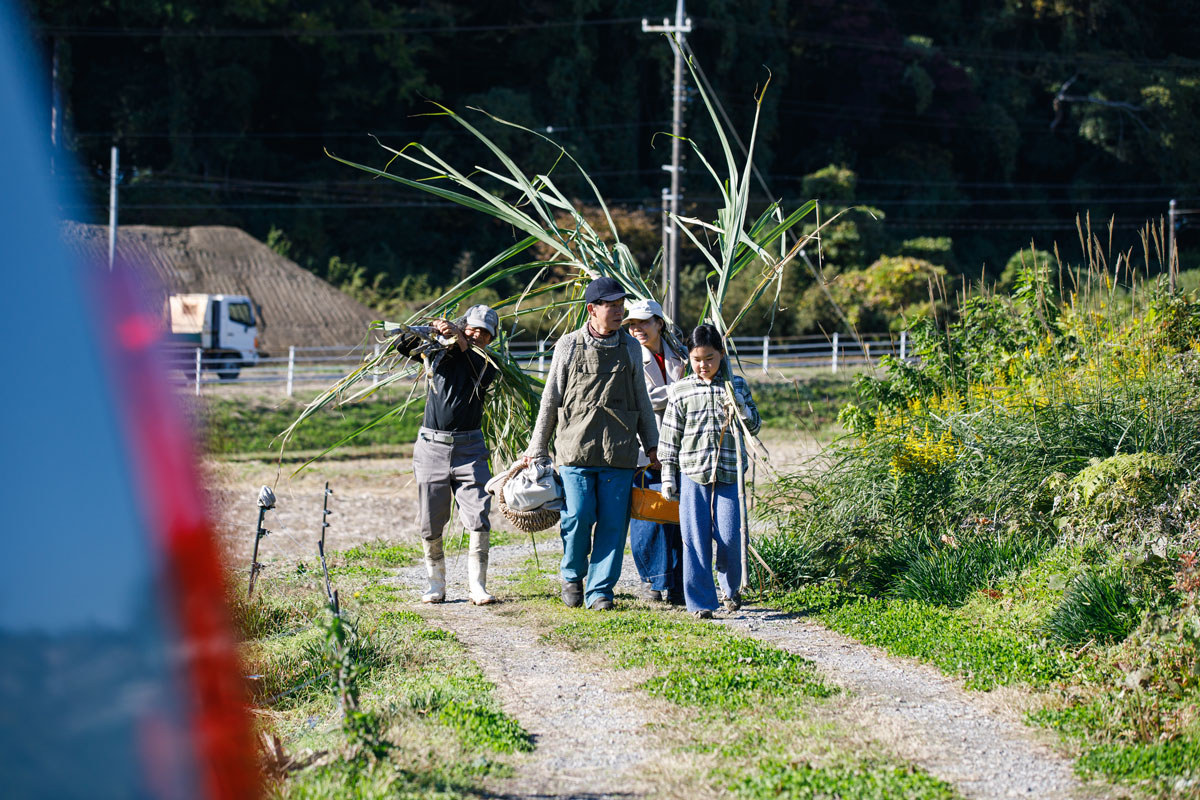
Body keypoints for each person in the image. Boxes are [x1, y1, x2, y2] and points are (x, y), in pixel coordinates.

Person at [524, 277, 660, 611]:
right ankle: (572, 576)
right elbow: (550, 399)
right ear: (592, 310)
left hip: (620, 449)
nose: (618, 312)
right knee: (579, 515)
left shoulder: (629, 347)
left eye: (620, 305)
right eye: (611, 306)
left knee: (614, 525)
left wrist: (653, 445)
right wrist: (537, 448)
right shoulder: (568, 345)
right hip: (575, 449)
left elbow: (642, 400)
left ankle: (600, 591)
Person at [394, 304, 500, 605]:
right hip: (431, 447)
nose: (478, 334)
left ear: (491, 339)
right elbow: (403, 344)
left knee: (479, 514)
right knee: (430, 519)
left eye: (485, 332)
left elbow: (470, 361)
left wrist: (460, 339)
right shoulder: (438, 352)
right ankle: (435, 584)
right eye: (473, 328)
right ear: (463, 325)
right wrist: (429, 329)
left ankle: (477, 587)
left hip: (470, 448)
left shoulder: (487, 363)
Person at [658, 323, 762, 619]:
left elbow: (754, 426)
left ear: (721, 355)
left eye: (710, 358)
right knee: (695, 541)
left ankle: (731, 590)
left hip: (729, 476)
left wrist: (741, 407)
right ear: (689, 358)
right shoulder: (681, 390)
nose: (704, 365)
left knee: (731, 538)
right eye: (697, 359)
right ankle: (701, 602)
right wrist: (668, 474)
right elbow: (670, 434)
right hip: (693, 475)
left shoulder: (736, 386)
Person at [624, 298, 686, 604]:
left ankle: (675, 582)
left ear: (659, 323)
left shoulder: (680, 355)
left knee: (675, 516)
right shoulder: (629, 356)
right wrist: (683, 387)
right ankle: (651, 580)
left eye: (643, 323)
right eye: (632, 324)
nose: (637, 329)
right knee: (647, 515)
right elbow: (644, 400)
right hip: (644, 448)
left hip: (680, 448)